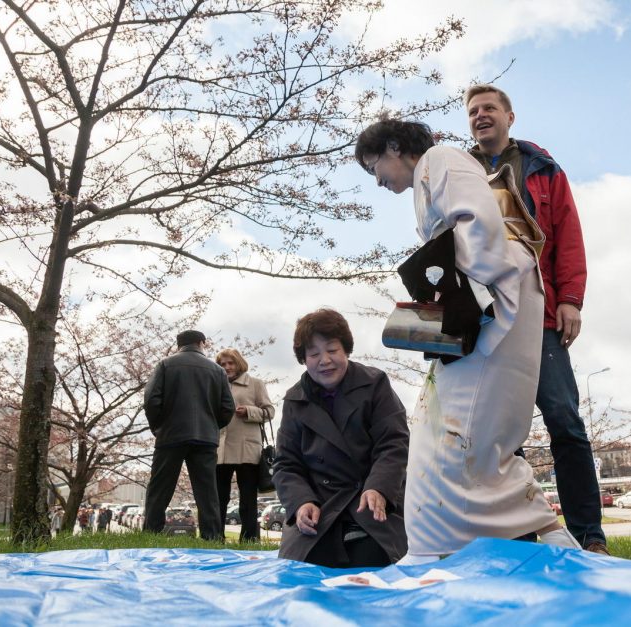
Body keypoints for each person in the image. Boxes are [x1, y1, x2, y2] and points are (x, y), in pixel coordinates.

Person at [355, 118, 581, 564]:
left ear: (395, 147)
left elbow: (478, 220)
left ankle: (431, 549)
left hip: (493, 301)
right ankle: (550, 537)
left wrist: (469, 302)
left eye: (373, 165)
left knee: (448, 433)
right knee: (478, 438)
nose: (376, 179)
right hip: (493, 298)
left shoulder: (439, 158)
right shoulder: (435, 171)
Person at [462, 84, 607, 554]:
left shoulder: (544, 169)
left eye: (489, 109)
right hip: (486, 323)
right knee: (499, 433)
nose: (480, 116)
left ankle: (590, 535)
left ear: (510, 116)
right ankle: (517, 538)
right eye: (472, 111)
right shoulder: (458, 173)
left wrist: (571, 299)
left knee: (565, 420)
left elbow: (568, 234)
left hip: (540, 317)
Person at [273, 309, 410, 568]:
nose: (324, 360)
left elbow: (393, 442)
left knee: (373, 561)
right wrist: (302, 502)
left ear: (346, 350)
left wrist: (378, 487)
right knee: (303, 571)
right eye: (314, 354)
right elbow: (286, 463)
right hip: (321, 508)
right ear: (304, 359)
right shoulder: (294, 400)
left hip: (367, 502)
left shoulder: (374, 383)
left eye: (332, 350)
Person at [143, 330, 235, 539]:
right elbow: (228, 407)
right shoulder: (217, 371)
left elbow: (151, 400)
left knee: (160, 487)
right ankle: (212, 537)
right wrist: (212, 425)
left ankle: (150, 533)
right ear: (202, 343)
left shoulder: (165, 365)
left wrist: (159, 426)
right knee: (207, 490)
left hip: (170, 435)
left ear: (178, 345)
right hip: (205, 437)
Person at [215, 348, 275, 542]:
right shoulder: (216, 385)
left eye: (230, 363)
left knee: (248, 499)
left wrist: (249, 411)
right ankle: (215, 537)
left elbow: (270, 411)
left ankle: (249, 539)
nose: (227, 367)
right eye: (222, 364)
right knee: (218, 498)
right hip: (221, 449)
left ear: (239, 363)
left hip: (247, 449)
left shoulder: (255, 384)